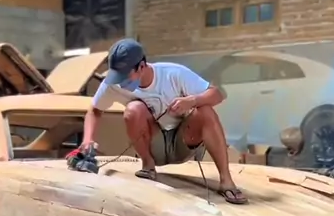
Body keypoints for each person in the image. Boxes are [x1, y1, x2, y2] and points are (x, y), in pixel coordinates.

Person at [81, 38, 247, 205]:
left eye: (125, 76)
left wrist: (192, 101)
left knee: (205, 110)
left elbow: (217, 94)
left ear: (141, 66)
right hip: (154, 144)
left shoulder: (173, 74)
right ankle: (148, 165)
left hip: (184, 141)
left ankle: (226, 180)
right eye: (117, 76)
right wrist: (88, 139)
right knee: (133, 110)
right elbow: (94, 110)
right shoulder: (113, 83)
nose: (121, 81)